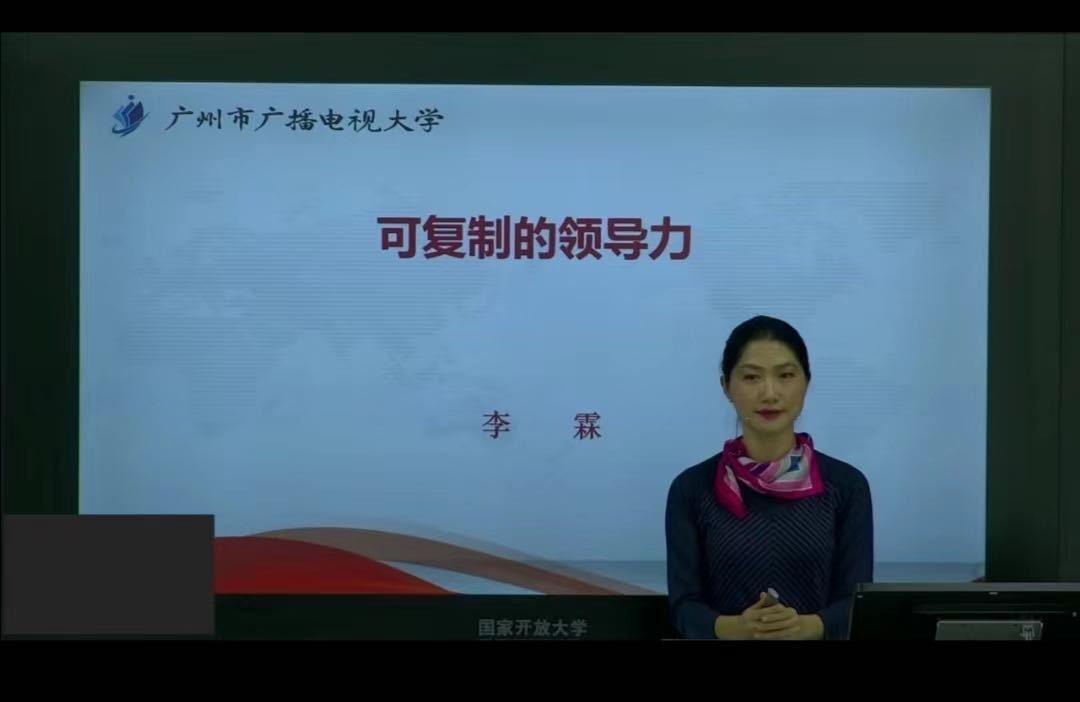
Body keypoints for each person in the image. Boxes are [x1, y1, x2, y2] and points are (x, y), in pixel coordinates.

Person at [665, 315, 873, 640]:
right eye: (751, 377)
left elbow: (856, 603)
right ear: (726, 386)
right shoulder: (692, 488)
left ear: (806, 382)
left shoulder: (846, 485)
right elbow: (683, 606)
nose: (770, 393)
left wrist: (805, 627)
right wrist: (738, 628)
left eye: (786, 375)